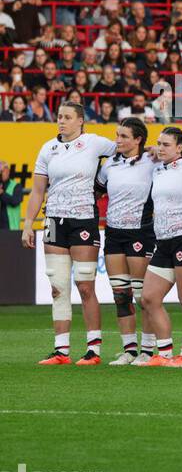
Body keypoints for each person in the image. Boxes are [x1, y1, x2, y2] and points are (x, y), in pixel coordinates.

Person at [22, 102, 117, 364]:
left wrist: (153, 152)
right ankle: (61, 350)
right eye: (59, 117)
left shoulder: (94, 143)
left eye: (67, 117)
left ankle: (93, 350)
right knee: (57, 287)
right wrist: (29, 223)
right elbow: (38, 191)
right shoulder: (47, 149)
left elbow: (127, 149)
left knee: (85, 286)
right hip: (54, 221)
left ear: (80, 121)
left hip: (83, 220)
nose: (61, 121)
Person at [140, 127, 182, 366]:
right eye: (159, 143)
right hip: (162, 240)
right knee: (149, 298)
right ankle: (164, 353)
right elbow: (139, 151)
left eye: (167, 144)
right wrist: (151, 149)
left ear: (180, 147)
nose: (161, 148)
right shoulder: (157, 169)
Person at [97, 117, 155, 365]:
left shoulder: (153, 161)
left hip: (140, 232)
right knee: (121, 295)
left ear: (138, 139)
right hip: (113, 233)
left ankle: (148, 350)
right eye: (117, 135)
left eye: (123, 136)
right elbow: (96, 191)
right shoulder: (109, 164)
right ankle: (129, 349)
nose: (117, 140)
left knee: (143, 296)